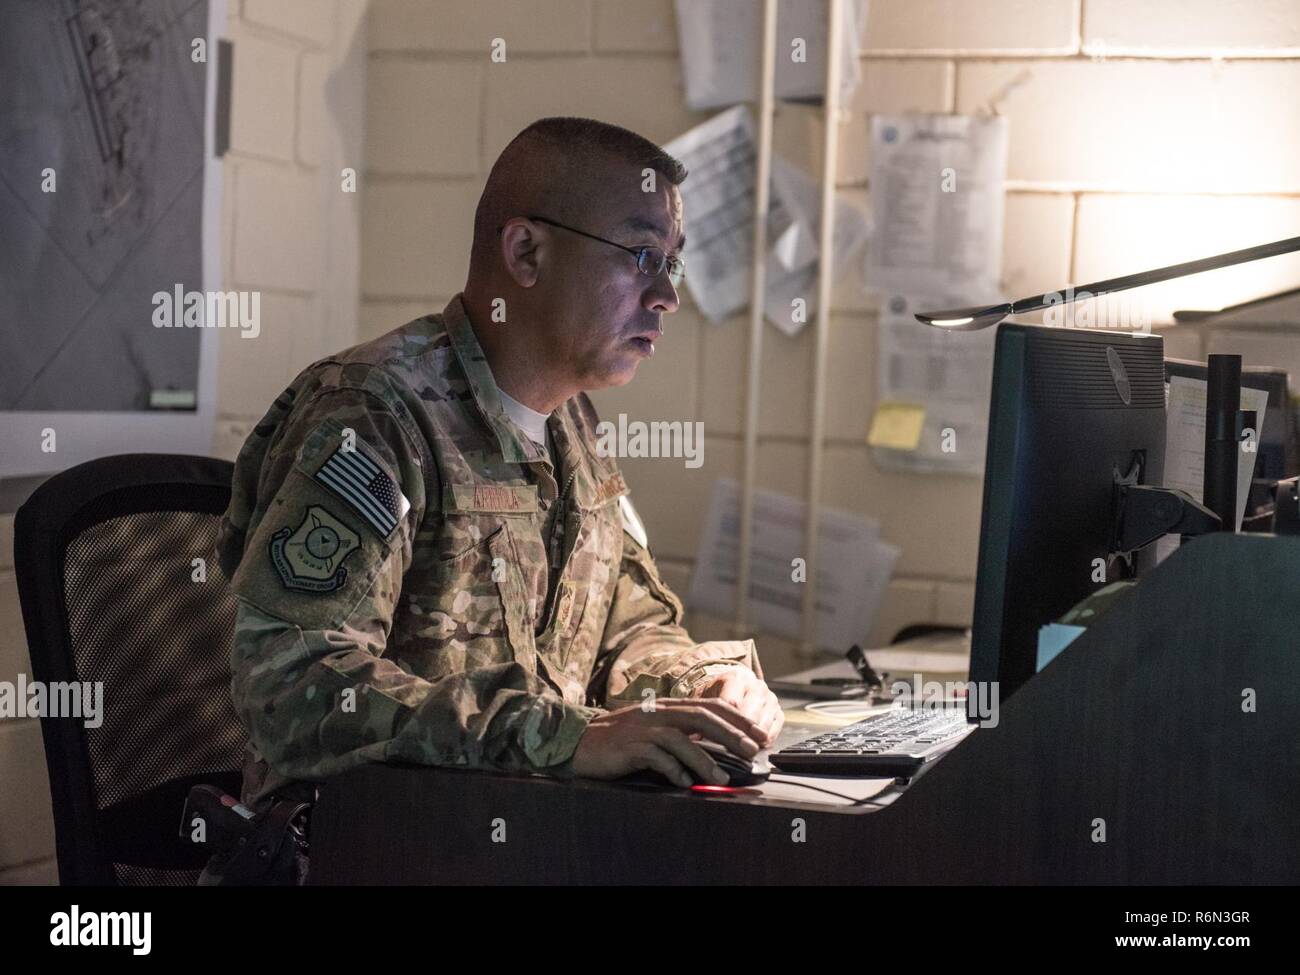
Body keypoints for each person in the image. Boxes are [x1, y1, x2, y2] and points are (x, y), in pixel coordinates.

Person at [215, 116, 784, 820]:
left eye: (674, 262)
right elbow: (293, 684)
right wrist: (561, 736)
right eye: (641, 254)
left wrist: (705, 683)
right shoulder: (374, 417)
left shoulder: (571, 422)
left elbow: (626, 626)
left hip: (525, 835)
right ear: (525, 252)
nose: (666, 294)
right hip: (375, 848)